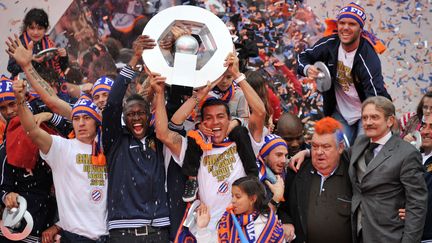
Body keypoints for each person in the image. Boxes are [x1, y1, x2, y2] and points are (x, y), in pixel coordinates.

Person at [154, 52, 274, 237]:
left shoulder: (244, 141)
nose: (215, 123)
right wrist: (161, 93)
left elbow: (259, 112)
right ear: (202, 122)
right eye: (209, 118)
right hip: (206, 229)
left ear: (230, 120)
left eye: (220, 117)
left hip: (243, 227)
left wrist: (237, 75)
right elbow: (163, 133)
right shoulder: (194, 145)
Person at [12, 78, 108, 242]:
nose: (81, 123)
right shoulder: (62, 148)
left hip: (106, 236)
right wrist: (20, 100)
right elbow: (32, 130)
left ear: (97, 122)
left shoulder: (109, 148)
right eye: (76, 119)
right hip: (75, 238)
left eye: (86, 118)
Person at [102, 35, 172, 242]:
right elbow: (113, 104)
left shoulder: (159, 137)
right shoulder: (115, 141)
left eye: (140, 113)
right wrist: (135, 59)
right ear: (123, 118)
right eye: (130, 114)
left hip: (158, 229)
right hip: (123, 232)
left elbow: (173, 105)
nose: (136, 118)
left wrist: (168, 56)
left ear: (149, 114)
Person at [297, 2, 391, 145]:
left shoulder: (368, 58)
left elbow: (376, 97)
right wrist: (307, 68)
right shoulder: (330, 44)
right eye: (342, 23)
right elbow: (303, 57)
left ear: (360, 29)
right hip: (340, 113)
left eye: (352, 24)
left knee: (359, 155)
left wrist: (372, 122)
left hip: (365, 114)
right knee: (332, 149)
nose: (345, 28)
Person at [350, 96, 427, 242]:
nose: (368, 122)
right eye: (365, 117)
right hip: (359, 231)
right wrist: (307, 153)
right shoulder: (360, 143)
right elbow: (339, 155)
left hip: (389, 235)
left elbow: (417, 205)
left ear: (390, 121)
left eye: (374, 117)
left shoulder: (407, 154)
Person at [0, 77, 59, 243]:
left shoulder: (50, 137)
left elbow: (67, 188)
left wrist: (58, 225)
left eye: (12, 104)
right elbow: (3, 186)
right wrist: (7, 196)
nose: (9, 111)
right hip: (13, 227)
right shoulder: (4, 149)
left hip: (46, 229)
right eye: (3, 108)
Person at [280, 117, 352, 243]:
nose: (319, 152)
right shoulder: (297, 170)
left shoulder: (353, 174)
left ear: (340, 148)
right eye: (314, 146)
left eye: (325, 147)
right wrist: (286, 222)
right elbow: (283, 207)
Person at [195, 176, 285, 243]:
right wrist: (202, 229)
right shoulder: (227, 221)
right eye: (232, 196)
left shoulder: (269, 224)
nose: (233, 200)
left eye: (238, 197)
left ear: (252, 199)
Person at [7, 8, 68, 79]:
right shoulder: (18, 44)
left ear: (45, 29)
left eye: (39, 28)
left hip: (46, 84)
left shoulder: (50, 43)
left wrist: (64, 57)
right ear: (26, 28)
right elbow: (11, 68)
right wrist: (30, 61)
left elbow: (61, 69)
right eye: (32, 28)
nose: (35, 32)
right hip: (23, 85)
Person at [415, 114, 432, 241]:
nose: (425, 131)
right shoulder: (413, 156)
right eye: (423, 126)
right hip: (409, 234)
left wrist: (412, 209)